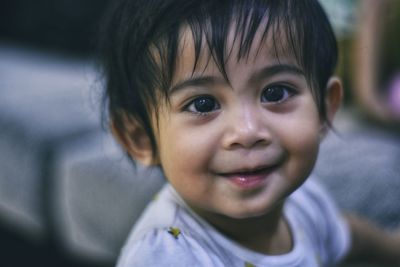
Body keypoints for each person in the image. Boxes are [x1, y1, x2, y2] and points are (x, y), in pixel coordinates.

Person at [98, 0, 400, 266]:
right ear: (140, 138)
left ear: (324, 109)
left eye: (275, 92)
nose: (247, 131)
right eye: (203, 104)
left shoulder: (304, 201)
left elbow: (348, 235)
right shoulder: (167, 257)